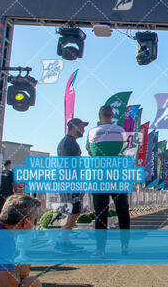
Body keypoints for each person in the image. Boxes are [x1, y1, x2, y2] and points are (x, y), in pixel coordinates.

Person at [86, 105, 128, 257]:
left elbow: (90, 151)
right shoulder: (121, 131)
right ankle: (124, 246)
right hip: (118, 175)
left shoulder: (92, 132)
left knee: (100, 213)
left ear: (99, 116)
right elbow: (124, 150)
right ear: (112, 115)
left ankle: (100, 249)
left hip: (99, 176)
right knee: (123, 211)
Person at [0, 194, 42, 287]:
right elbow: (3, 285)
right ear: (26, 221)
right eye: (34, 221)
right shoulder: (4, 240)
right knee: (32, 283)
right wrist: (18, 272)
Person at [56, 117, 89, 252]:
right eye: (81, 127)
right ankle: (62, 243)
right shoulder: (70, 143)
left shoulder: (66, 142)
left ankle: (64, 241)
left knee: (72, 211)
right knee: (73, 211)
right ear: (73, 126)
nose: (83, 130)